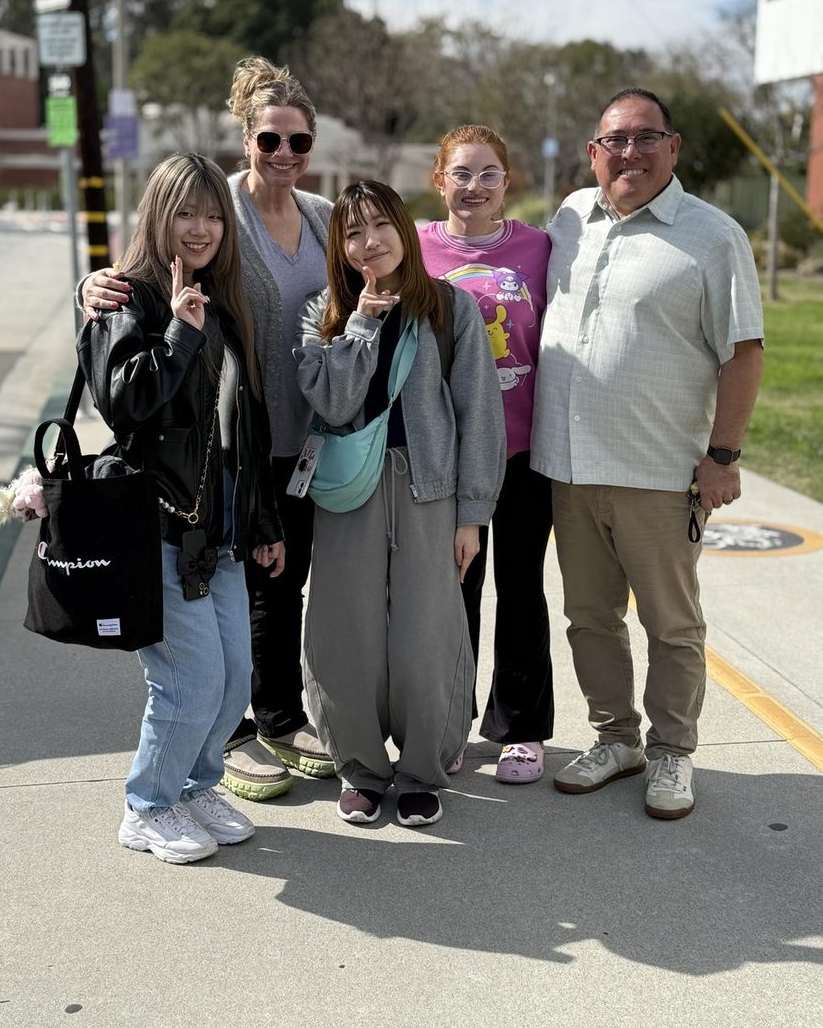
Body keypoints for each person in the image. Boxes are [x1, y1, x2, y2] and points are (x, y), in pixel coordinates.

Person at [81, 58, 335, 801]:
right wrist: (88, 287)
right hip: (201, 470)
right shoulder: (210, 209)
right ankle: (209, 751)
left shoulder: (322, 216)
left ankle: (271, 720)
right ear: (245, 141)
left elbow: (387, 254)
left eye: (299, 142)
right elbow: (138, 290)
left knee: (278, 587)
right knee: (226, 622)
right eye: (269, 141)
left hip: (295, 444)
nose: (284, 155)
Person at [531, 87, 764, 820]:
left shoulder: (712, 235)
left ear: (674, 146)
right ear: (594, 152)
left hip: (660, 474)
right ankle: (615, 739)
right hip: (568, 468)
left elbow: (745, 353)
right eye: (613, 141)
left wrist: (722, 455)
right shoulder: (570, 215)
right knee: (588, 617)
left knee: (671, 624)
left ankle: (671, 753)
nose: (627, 153)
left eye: (643, 137)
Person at [78, 152, 285, 863]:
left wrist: (258, 522)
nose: (199, 229)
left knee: (232, 682)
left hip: (218, 531)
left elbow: (241, 430)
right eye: (184, 213)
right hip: (157, 526)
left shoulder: (221, 300)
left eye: (211, 216)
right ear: (157, 216)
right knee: (187, 679)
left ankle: (195, 784)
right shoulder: (124, 297)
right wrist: (178, 331)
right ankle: (147, 805)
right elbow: (128, 402)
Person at [295, 179, 505, 828]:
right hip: (347, 495)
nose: (368, 242)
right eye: (352, 232)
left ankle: (422, 770)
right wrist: (361, 324)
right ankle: (360, 769)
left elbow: (479, 415)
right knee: (345, 637)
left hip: (429, 491)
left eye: (379, 225)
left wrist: (472, 515)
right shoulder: (321, 312)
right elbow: (329, 402)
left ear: (404, 230)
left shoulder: (449, 308)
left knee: (427, 640)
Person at [420, 124, 553, 783]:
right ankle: (448, 722)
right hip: (448, 454)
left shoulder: (538, 249)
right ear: (438, 180)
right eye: (461, 173)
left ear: (508, 183)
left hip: (525, 451)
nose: (474, 187)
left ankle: (521, 729)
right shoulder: (414, 249)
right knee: (454, 592)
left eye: (488, 174)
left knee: (522, 588)